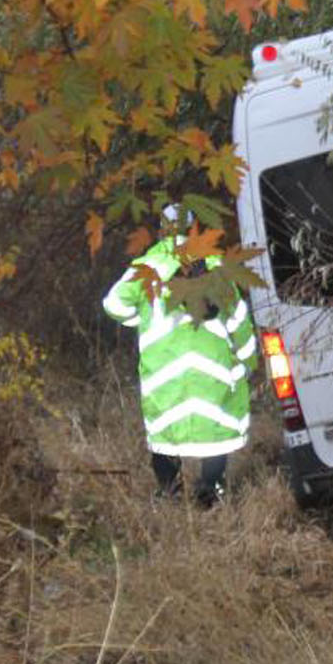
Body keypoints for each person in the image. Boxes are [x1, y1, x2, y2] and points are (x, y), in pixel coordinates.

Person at [102, 203, 258, 506]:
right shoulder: (216, 267)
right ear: (195, 228)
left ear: (163, 230)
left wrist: (141, 320)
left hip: (164, 372)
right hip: (212, 371)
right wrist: (248, 361)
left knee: (164, 432)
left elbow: (113, 305)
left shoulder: (146, 267)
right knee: (215, 432)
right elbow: (239, 321)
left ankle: (168, 491)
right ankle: (210, 491)